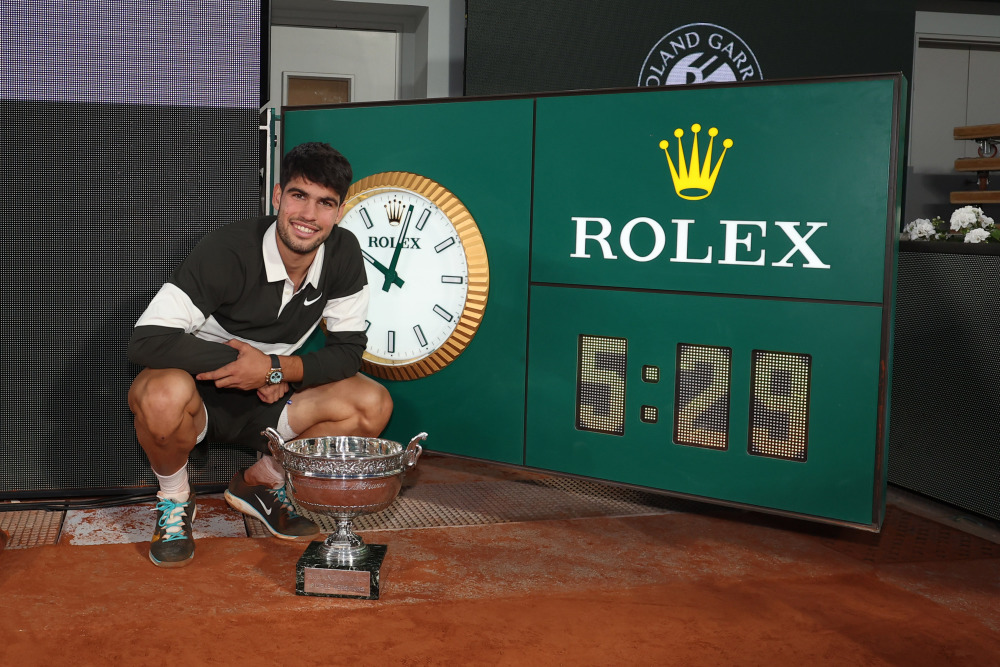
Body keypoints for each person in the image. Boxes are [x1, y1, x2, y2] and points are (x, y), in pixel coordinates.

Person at [127, 142, 392, 568]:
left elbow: (347, 354)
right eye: (299, 195)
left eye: (325, 203)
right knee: (160, 395)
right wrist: (245, 367)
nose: (309, 215)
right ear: (277, 196)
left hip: (271, 397)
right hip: (195, 393)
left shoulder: (343, 253)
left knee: (371, 402)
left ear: (339, 212)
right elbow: (147, 339)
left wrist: (274, 371)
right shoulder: (227, 249)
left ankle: (262, 483)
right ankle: (175, 500)